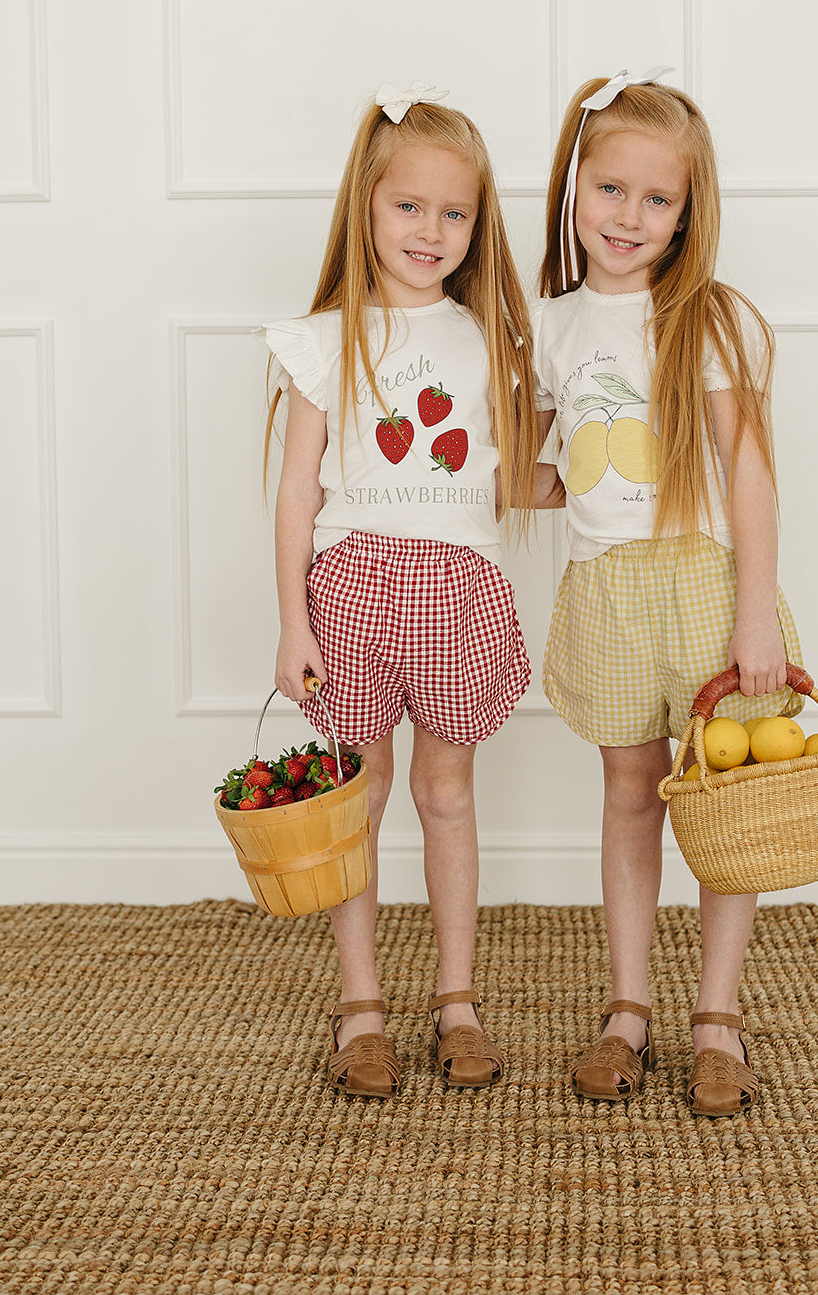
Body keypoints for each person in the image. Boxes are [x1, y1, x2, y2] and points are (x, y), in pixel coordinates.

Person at [530, 70, 803, 1117]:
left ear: (689, 211)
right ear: (574, 186)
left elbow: (747, 471)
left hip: (701, 581)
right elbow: (562, 471)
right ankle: (627, 1007)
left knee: (725, 804)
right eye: (609, 190)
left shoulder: (709, 318)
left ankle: (717, 1017)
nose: (628, 217)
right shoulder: (551, 325)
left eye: (657, 199)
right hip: (606, 591)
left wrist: (753, 607)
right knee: (630, 791)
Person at [261, 82, 538, 1098]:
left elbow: (518, 471)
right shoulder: (323, 337)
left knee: (446, 793)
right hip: (351, 588)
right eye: (408, 207)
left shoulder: (489, 336)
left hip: (458, 588)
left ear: (478, 222)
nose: (430, 230)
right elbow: (296, 489)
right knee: (362, 798)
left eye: (453, 213)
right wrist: (292, 617)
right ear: (366, 206)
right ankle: (361, 1002)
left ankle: (455, 999)